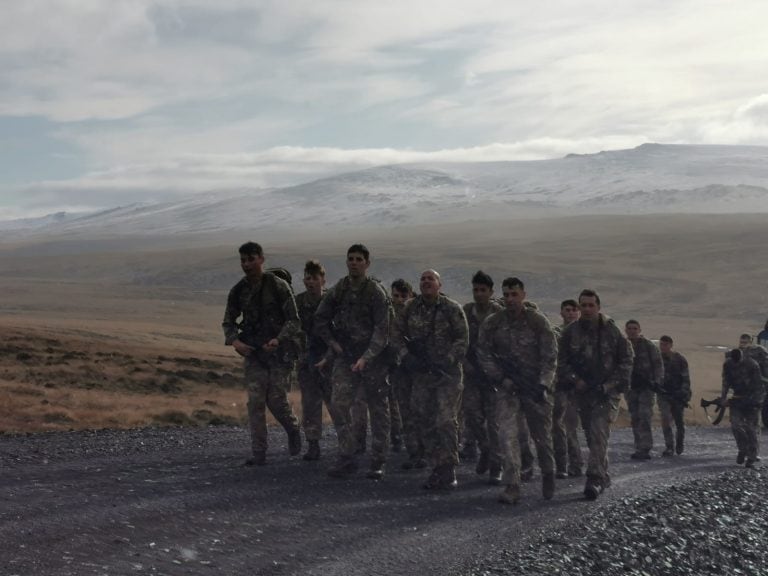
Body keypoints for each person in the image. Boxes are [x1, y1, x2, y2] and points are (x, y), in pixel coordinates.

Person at [477, 277, 558, 505]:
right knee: (507, 436)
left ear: (523, 295)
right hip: (508, 388)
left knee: (541, 437)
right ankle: (512, 485)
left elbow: (550, 355)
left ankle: (548, 472)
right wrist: (501, 378)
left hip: (535, 387)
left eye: (514, 294)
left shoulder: (537, 321)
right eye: (506, 295)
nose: (510, 299)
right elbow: (483, 353)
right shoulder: (493, 322)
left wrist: (543, 384)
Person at [314, 244, 392, 480]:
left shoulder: (375, 292)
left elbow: (382, 330)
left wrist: (366, 357)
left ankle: (378, 459)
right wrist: (333, 343)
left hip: (373, 359)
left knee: (378, 409)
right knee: (338, 404)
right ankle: (347, 455)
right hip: (346, 356)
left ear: (367, 263)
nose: (354, 263)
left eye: (359, 259)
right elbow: (320, 317)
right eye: (351, 259)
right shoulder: (340, 289)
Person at [221, 242, 302, 466]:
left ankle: (293, 428)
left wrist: (279, 339)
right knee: (255, 403)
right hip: (255, 353)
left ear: (261, 259)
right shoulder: (239, 290)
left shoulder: (278, 286)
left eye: (251, 259)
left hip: (279, 354)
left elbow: (294, 320)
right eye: (243, 260)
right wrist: (236, 342)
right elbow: (228, 322)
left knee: (276, 401)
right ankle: (259, 453)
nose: (246, 264)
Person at [395, 269, 468, 490]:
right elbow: (395, 335)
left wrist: (447, 359)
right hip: (421, 375)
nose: (426, 282)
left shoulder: (452, 309)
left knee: (445, 420)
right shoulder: (410, 308)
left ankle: (448, 468)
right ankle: (436, 466)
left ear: (439, 284)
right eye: (423, 279)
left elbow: (463, 339)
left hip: (447, 374)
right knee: (422, 418)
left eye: (431, 279)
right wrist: (406, 357)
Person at [558, 289, 633, 500]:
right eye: (584, 305)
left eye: (591, 305)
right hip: (583, 393)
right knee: (592, 437)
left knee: (599, 433)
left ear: (598, 307)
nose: (587, 309)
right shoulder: (571, 332)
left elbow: (626, 360)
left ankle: (594, 479)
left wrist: (609, 385)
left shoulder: (611, 331)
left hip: (606, 394)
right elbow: (561, 361)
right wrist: (575, 380)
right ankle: (603, 473)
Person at [462, 271, 504, 484]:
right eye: (476, 290)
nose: (479, 294)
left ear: (491, 292)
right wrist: (465, 363)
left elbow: (507, 346)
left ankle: (496, 465)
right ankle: (485, 449)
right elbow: (459, 339)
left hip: (493, 377)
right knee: (472, 417)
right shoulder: (466, 312)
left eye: (483, 290)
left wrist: (497, 370)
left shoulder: (499, 314)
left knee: (493, 423)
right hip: (471, 375)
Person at [295, 260, 332, 461]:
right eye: (307, 278)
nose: (310, 282)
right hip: (307, 360)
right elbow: (292, 328)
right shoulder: (298, 303)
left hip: (330, 360)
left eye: (314, 278)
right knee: (310, 404)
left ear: (323, 280)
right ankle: (313, 444)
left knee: (337, 403)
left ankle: (348, 444)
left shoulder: (331, 301)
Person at [390, 279, 426, 469]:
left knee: (421, 409)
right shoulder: (389, 315)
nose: (400, 300)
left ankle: (426, 450)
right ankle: (414, 453)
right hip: (399, 369)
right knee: (405, 411)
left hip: (419, 369)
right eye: (396, 296)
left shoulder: (419, 313)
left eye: (404, 296)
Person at [552, 299, 584, 478]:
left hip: (579, 387)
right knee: (558, 426)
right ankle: (563, 465)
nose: (571, 313)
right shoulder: (556, 334)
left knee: (571, 427)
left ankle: (576, 463)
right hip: (560, 386)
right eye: (567, 310)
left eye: (574, 310)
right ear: (562, 313)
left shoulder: (584, 334)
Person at [624, 320, 663, 460]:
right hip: (631, 387)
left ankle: (645, 447)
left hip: (646, 387)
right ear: (626, 330)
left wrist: (657, 382)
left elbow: (658, 364)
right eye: (629, 328)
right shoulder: (623, 345)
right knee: (635, 417)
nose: (632, 331)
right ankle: (638, 446)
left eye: (635, 328)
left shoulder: (648, 345)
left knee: (645, 416)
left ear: (639, 329)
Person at [720, 348, 765, 467]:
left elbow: (758, 386)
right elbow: (725, 382)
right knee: (736, 426)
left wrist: (755, 401)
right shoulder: (728, 364)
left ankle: (752, 457)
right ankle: (742, 449)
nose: (736, 363)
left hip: (752, 400)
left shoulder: (752, 365)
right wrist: (723, 398)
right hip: (737, 398)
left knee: (751, 429)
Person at [657, 335, 691, 456]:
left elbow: (686, 378)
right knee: (665, 419)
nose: (663, 347)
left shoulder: (680, 359)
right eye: (661, 344)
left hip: (677, 395)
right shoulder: (657, 359)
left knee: (679, 422)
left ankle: (679, 443)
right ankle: (669, 446)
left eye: (665, 344)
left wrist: (683, 393)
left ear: (671, 345)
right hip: (663, 395)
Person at [738, 333, 768, 429]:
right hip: (746, 383)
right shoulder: (739, 352)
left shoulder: (760, 350)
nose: (743, 344)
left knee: (761, 404)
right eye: (741, 342)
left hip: (761, 381)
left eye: (745, 342)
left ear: (750, 342)